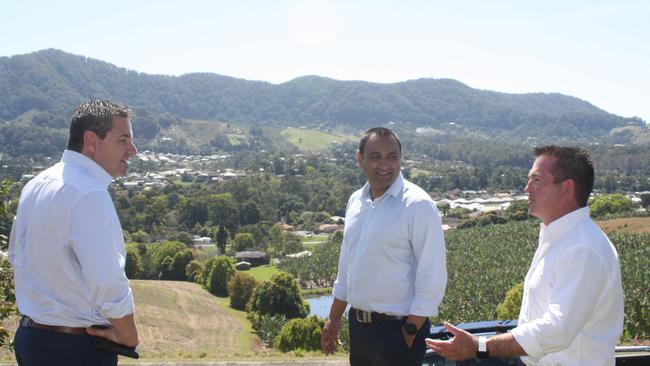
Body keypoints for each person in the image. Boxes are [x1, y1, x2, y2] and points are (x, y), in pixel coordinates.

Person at [426, 146, 624, 365]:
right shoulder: (560, 240)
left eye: (537, 180)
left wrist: (480, 346)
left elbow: (557, 329)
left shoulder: (583, 248)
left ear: (567, 188)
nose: (527, 188)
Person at [9, 100, 140, 365]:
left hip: (30, 338)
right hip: (75, 348)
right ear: (91, 141)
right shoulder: (88, 193)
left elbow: (17, 256)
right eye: (123, 140)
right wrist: (129, 336)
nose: (133, 150)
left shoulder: (37, 184)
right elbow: (108, 283)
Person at [321, 127, 447, 366]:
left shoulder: (417, 205)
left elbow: (432, 275)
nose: (384, 164)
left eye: (392, 157)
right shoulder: (356, 201)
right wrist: (334, 319)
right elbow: (347, 267)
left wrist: (410, 331)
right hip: (359, 329)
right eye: (375, 156)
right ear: (360, 158)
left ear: (400, 160)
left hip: (398, 331)